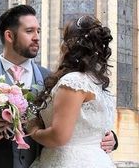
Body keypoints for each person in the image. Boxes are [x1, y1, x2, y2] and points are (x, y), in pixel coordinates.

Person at [0, 5, 116, 168]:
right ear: (9, 35)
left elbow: (77, 120)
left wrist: (109, 138)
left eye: (38, 31)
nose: (37, 37)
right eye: (29, 31)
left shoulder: (53, 79)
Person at [26, 14, 116, 168]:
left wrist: (32, 130)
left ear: (68, 46)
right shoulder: (97, 83)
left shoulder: (73, 82)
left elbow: (58, 137)